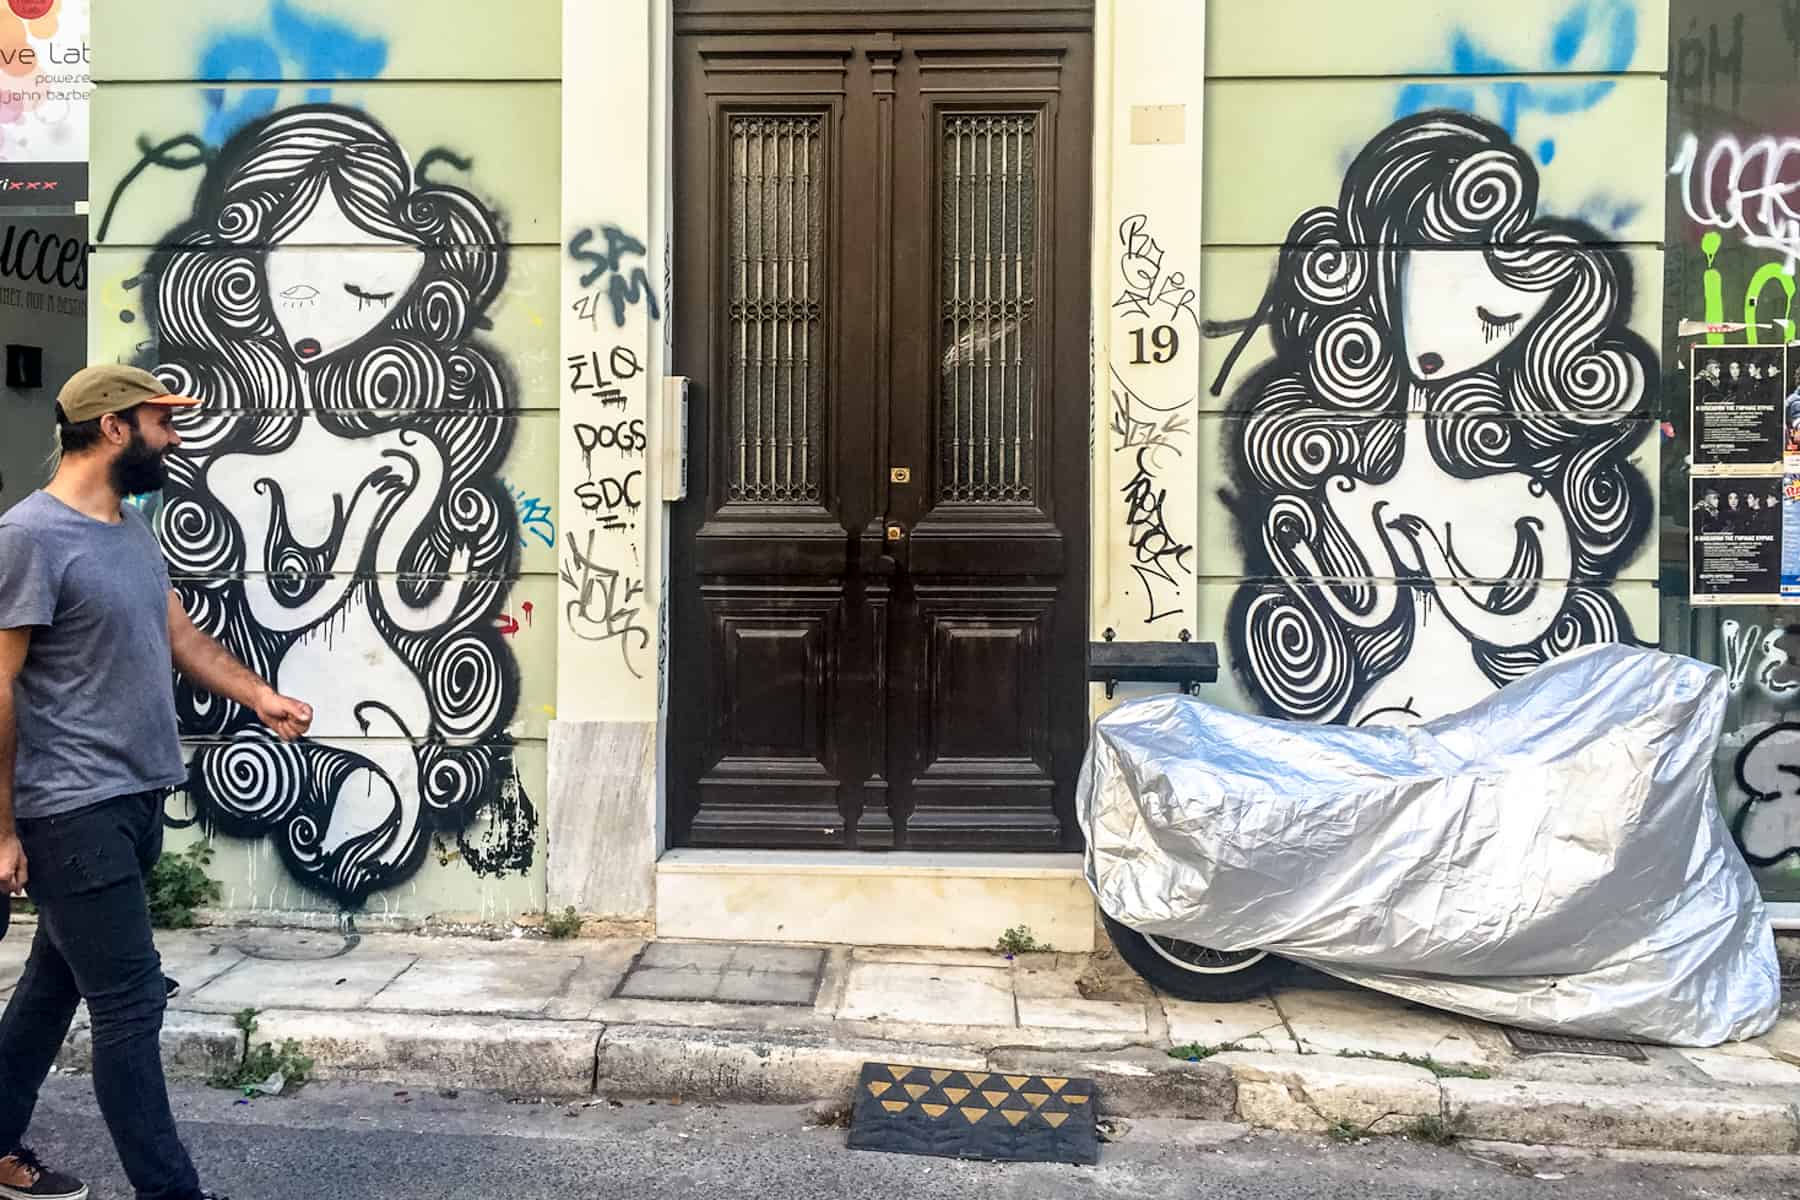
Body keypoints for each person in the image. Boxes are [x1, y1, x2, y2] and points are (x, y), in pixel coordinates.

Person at [0, 365, 313, 1200]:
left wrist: (261, 697)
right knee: (132, 1005)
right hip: (70, 808)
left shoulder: (129, 527)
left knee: (51, 986)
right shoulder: (29, 537)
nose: (174, 437)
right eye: (160, 422)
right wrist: (1, 829)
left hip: (135, 797)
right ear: (113, 429)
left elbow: (177, 631)